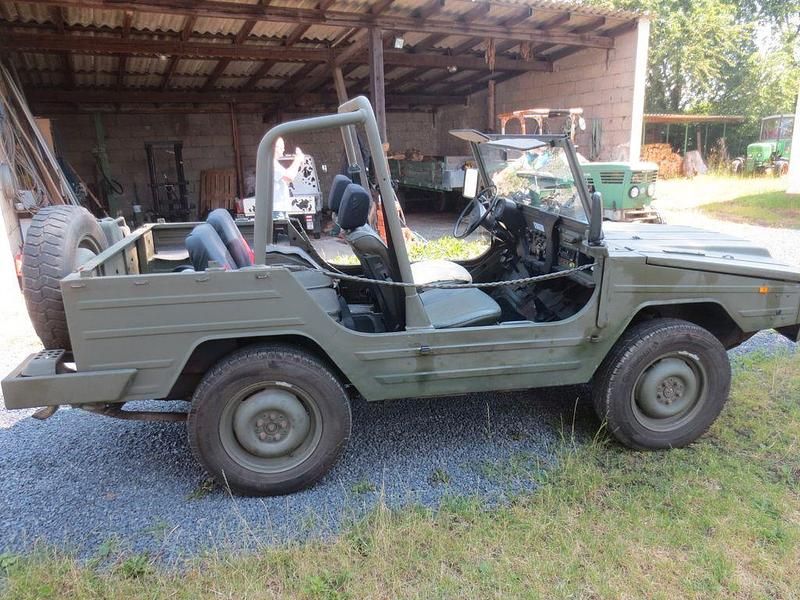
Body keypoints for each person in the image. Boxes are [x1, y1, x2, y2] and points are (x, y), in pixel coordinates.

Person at [273, 137, 305, 219]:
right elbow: (289, 177)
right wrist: (298, 159)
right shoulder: (271, 163)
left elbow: (285, 181)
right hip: (276, 210)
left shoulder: (273, 163)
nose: (283, 150)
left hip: (278, 209)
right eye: (281, 147)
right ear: (274, 147)